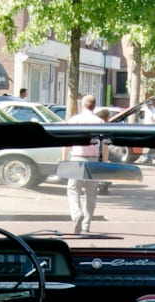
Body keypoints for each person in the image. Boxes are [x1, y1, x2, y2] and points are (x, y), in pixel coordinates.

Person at [63, 94, 105, 234]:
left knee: (73, 189)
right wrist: (103, 162)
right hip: (93, 160)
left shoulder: (74, 120)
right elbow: (105, 144)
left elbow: (66, 141)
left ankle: (76, 214)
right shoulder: (100, 122)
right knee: (91, 193)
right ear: (94, 106)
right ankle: (86, 224)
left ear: (83, 105)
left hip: (77, 158)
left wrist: (64, 160)